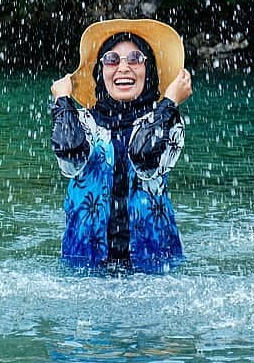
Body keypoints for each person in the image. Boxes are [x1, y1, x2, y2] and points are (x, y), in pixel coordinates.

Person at [49, 18, 193, 273]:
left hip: (154, 266)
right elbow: (70, 157)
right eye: (112, 60)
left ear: (149, 71)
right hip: (83, 266)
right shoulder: (80, 120)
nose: (123, 68)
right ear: (100, 72)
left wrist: (169, 102)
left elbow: (144, 159)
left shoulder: (168, 122)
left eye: (135, 59)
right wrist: (62, 101)